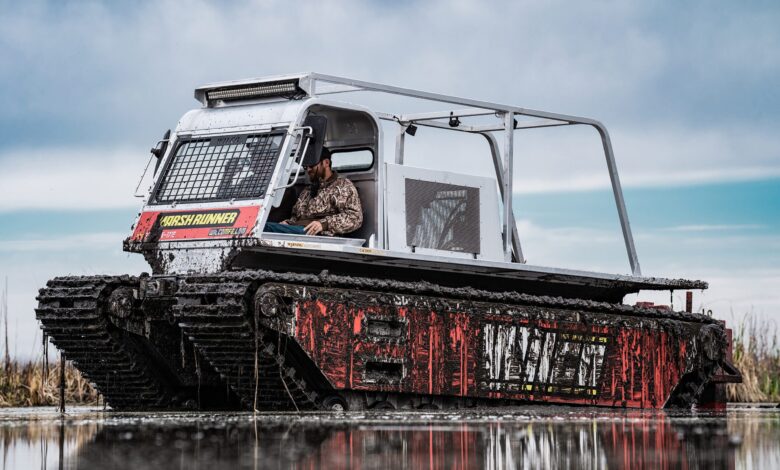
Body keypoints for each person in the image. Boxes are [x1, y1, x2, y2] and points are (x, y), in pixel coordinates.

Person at [264, 149, 363, 236]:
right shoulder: (308, 190)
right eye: (306, 167)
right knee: (263, 226)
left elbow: (355, 218)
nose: (308, 170)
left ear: (326, 163)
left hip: (319, 234)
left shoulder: (343, 186)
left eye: (311, 166)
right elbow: (296, 216)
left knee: (264, 228)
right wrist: (288, 223)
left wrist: (323, 224)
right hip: (300, 230)